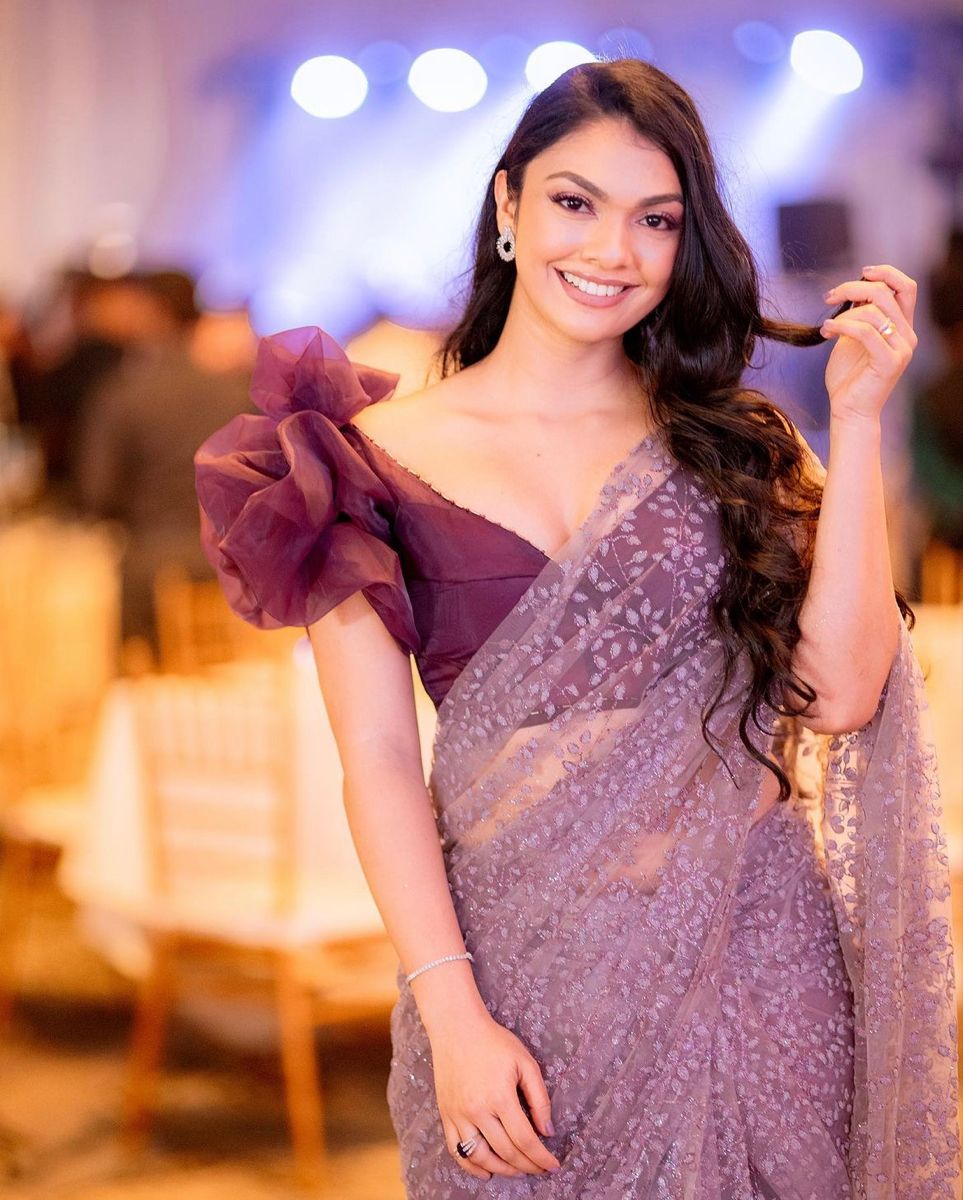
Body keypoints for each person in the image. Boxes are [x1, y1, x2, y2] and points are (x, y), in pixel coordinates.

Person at [194, 59, 960, 1198]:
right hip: (520, 977)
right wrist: (451, 1015)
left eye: (656, 219)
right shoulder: (364, 462)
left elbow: (842, 694)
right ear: (508, 203)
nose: (612, 250)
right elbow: (380, 760)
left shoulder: (740, 446)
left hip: (753, 961)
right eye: (574, 202)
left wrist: (854, 422)